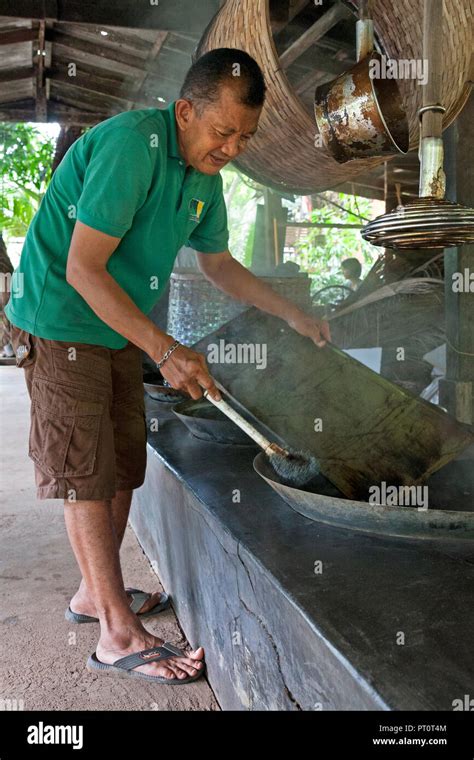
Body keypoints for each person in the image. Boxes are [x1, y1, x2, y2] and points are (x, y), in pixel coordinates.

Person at [5, 48, 330, 685]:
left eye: (246, 135)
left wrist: (291, 313)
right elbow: (82, 269)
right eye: (223, 131)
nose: (233, 147)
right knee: (86, 472)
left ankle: (92, 596)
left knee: (124, 460)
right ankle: (116, 634)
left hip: (117, 325)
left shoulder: (204, 177)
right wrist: (167, 349)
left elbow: (220, 265)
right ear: (185, 111)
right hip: (61, 318)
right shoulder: (132, 148)